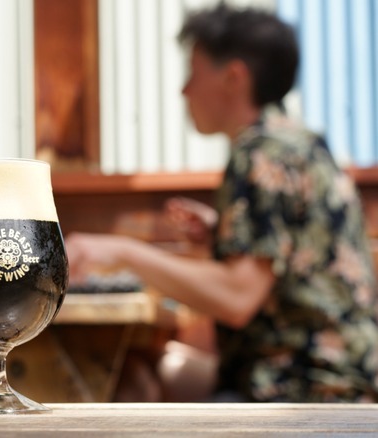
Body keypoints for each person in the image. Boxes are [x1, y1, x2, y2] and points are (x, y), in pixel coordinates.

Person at [66, 4, 378, 403]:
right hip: (334, 376)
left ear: (234, 77)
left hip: (306, 392)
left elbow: (236, 299)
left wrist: (126, 252)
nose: (184, 90)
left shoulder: (262, 156)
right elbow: (293, 258)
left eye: (194, 73)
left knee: (128, 381)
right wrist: (220, 235)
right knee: (135, 370)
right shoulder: (298, 143)